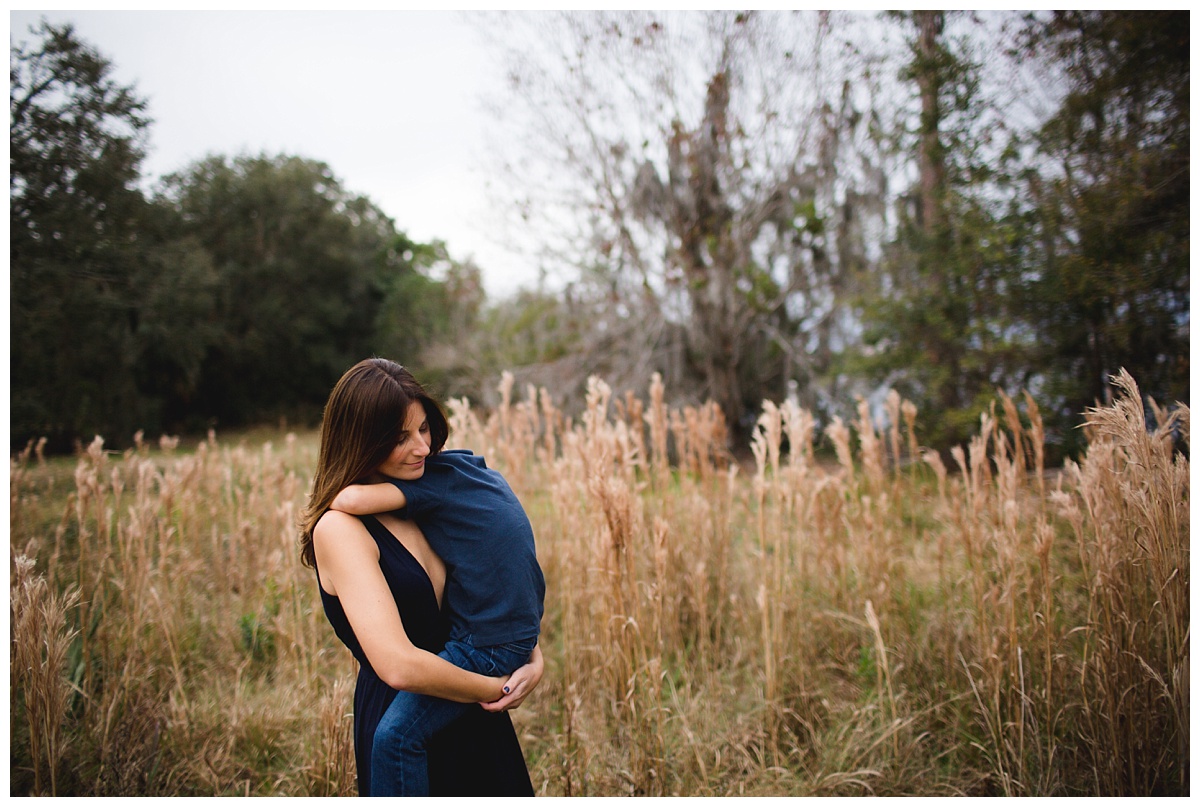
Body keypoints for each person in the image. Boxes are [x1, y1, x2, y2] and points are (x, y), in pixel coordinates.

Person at [300, 358, 544, 796]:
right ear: (361, 440)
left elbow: (493, 581)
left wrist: (531, 657)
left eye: (424, 429)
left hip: (475, 715)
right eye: (399, 437)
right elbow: (397, 664)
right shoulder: (341, 529)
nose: (422, 448)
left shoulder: (429, 496)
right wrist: (497, 685)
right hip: (408, 725)